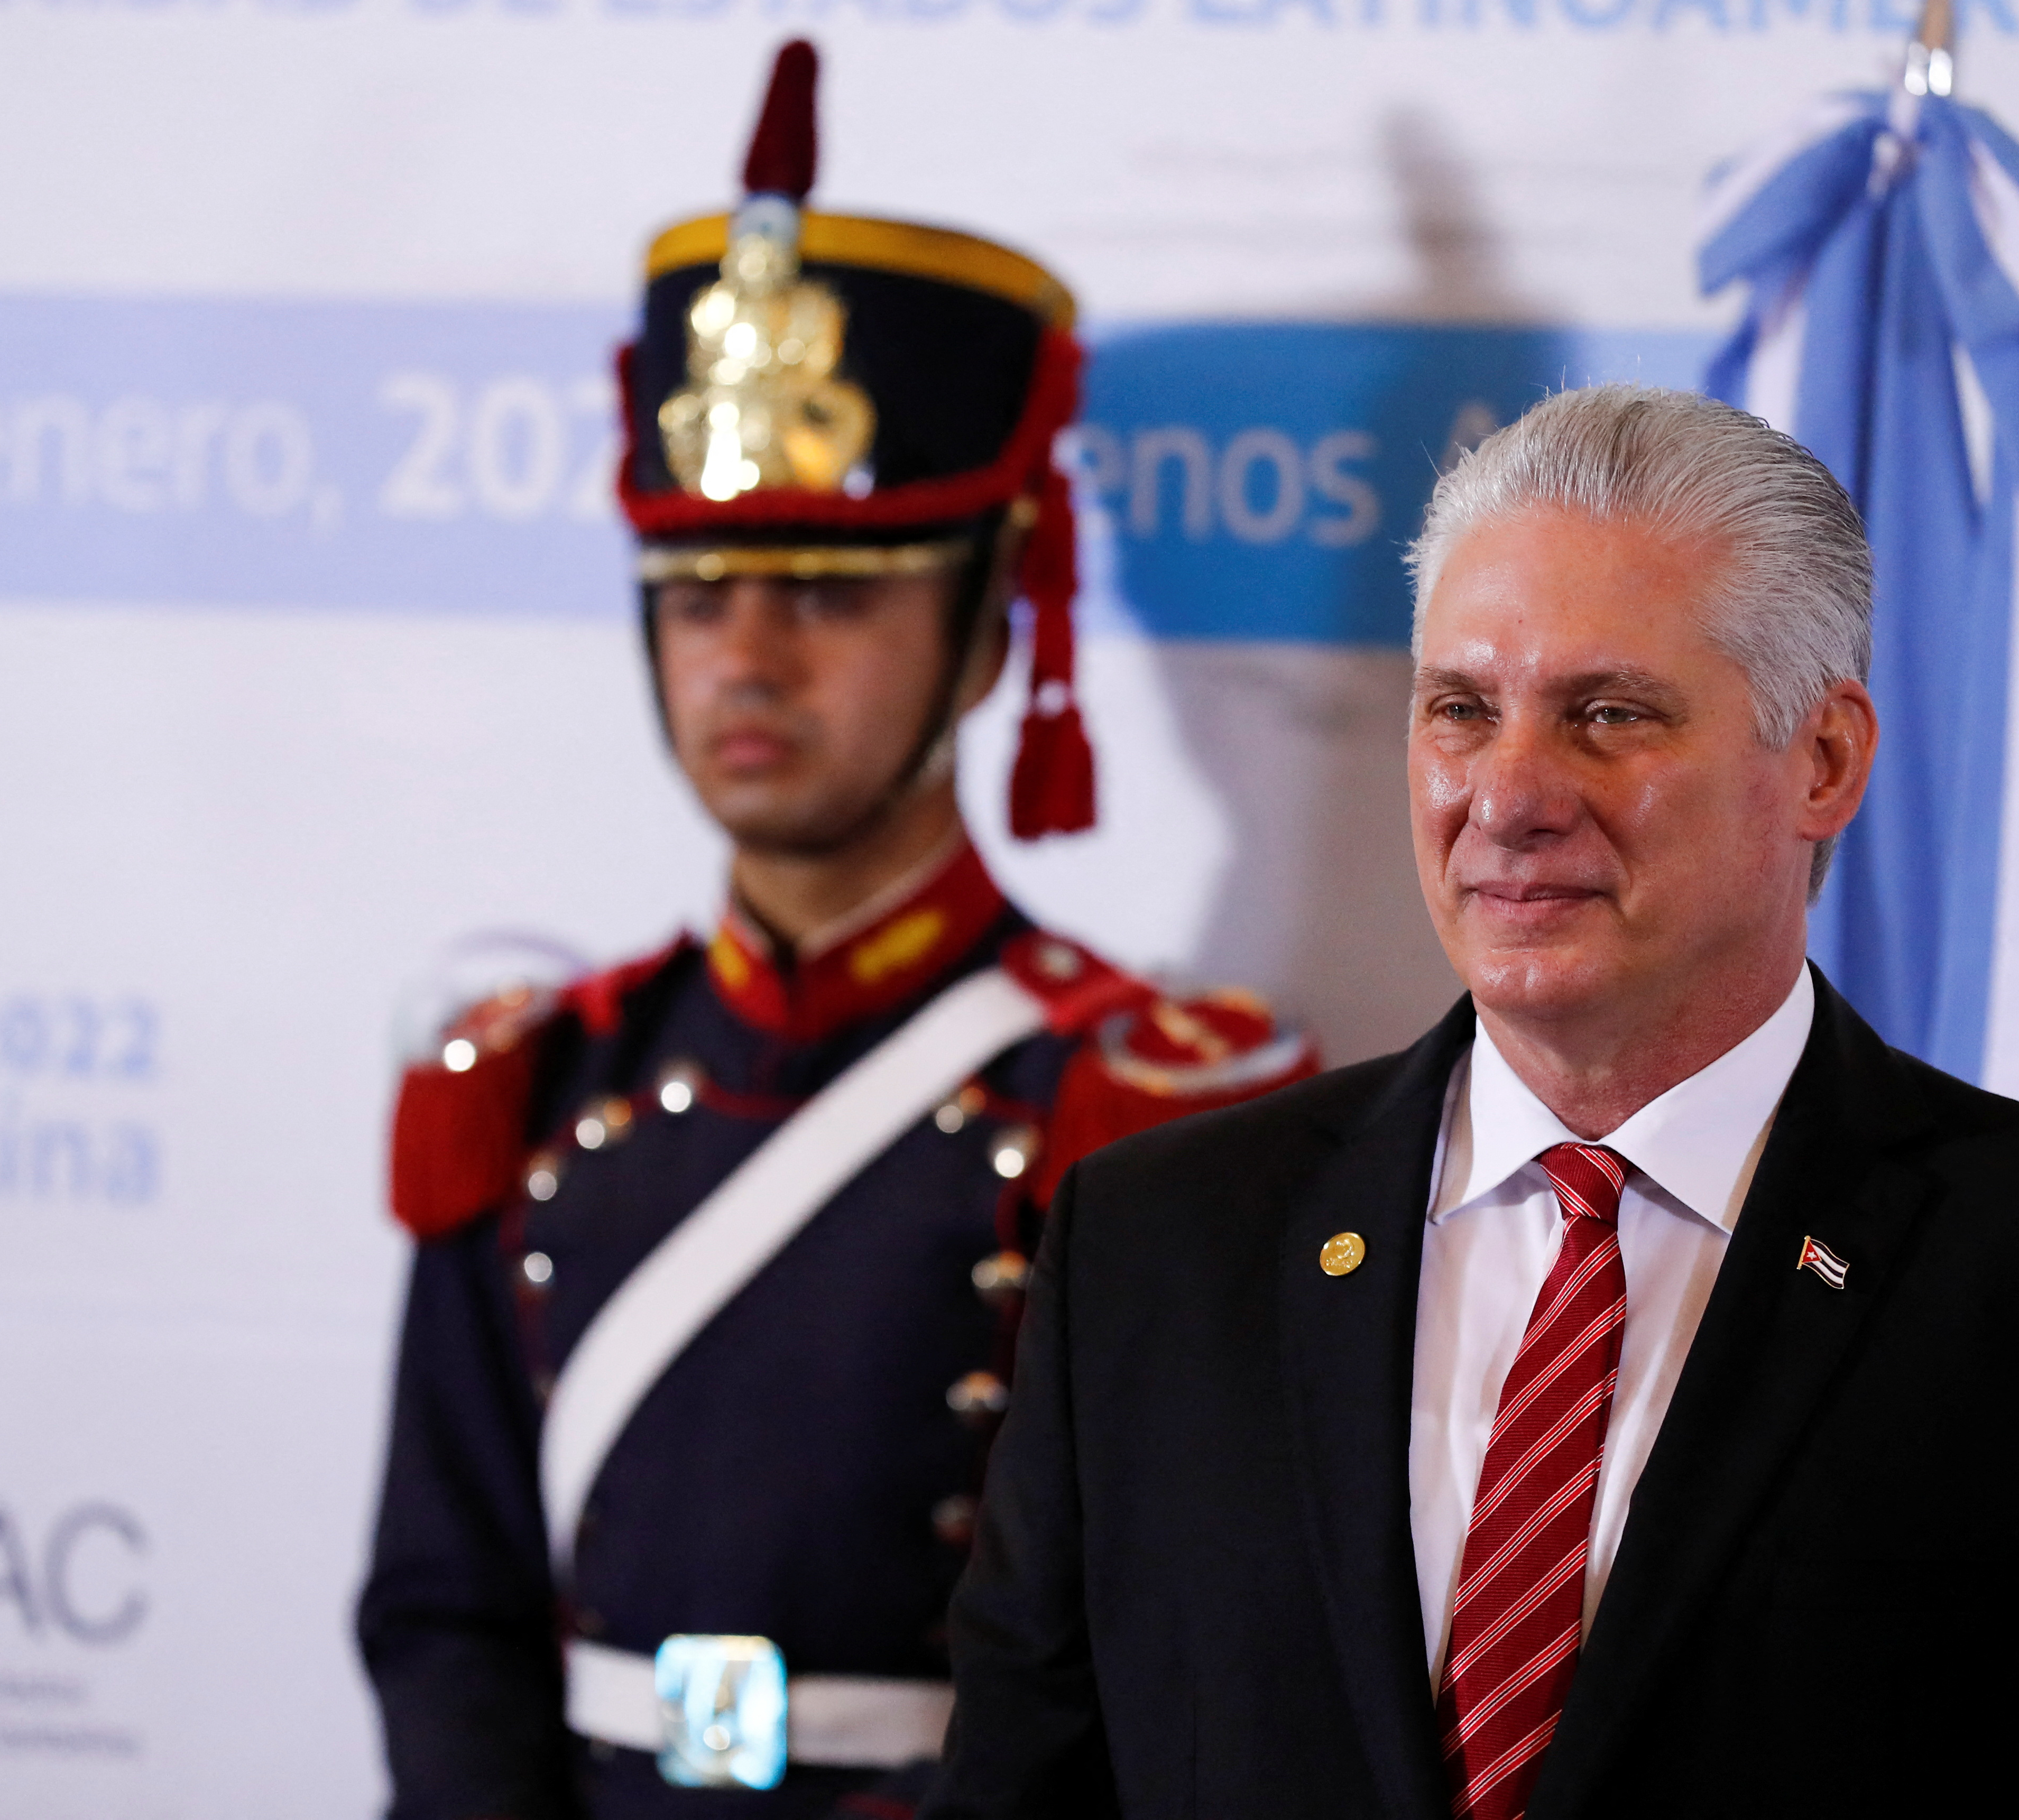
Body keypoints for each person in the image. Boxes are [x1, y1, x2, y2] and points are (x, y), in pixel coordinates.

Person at [928, 384, 2019, 1820]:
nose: (1507, 796)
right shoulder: (1155, 1249)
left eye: (1607, 714)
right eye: (1461, 710)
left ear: (1824, 760)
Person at [354, 41, 1313, 1820]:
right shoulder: (535, 1082)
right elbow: (444, 1612)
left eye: (833, 593)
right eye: (701, 591)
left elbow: (1192, 1667)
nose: (750, 655)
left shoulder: (1146, 1110)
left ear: (988, 622)